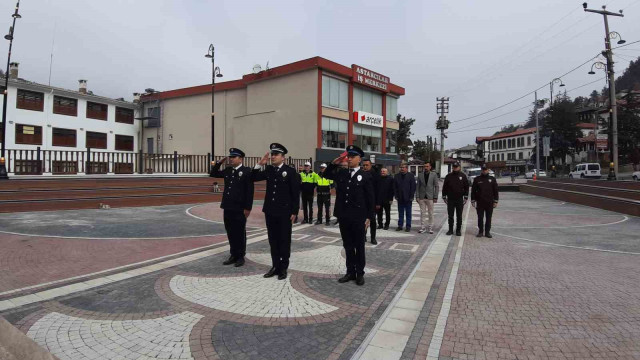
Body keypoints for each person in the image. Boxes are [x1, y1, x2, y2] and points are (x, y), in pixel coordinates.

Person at [323, 145, 374, 286]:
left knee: (359, 245)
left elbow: (370, 198)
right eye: (348, 156)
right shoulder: (342, 173)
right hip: (344, 215)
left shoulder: (365, 176)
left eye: (352, 157)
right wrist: (334, 163)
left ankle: (360, 273)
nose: (349, 159)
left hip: (359, 217)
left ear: (359, 159)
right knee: (348, 245)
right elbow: (326, 175)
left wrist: (369, 217)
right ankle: (350, 271)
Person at [252, 143, 301, 280]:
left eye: (276, 154)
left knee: (284, 240)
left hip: (285, 212)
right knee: (273, 240)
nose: (273, 157)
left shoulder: (290, 172)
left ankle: (283, 267)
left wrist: (294, 211)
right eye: (272, 154)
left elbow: (295, 193)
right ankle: (275, 266)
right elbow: (253, 178)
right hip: (270, 210)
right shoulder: (269, 170)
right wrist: (259, 164)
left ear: (283, 157)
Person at [209, 148, 254, 267]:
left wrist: (248, 208)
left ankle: (240, 256)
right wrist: (219, 163)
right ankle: (233, 254)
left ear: (241, 158)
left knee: (239, 232)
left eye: (234, 157)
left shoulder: (247, 171)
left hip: (240, 208)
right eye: (231, 157)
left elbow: (249, 191)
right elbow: (213, 174)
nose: (231, 159)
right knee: (230, 232)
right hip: (228, 206)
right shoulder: (228, 170)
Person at [442, 162, 469, 236]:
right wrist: (444, 196)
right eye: (454, 167)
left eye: (456, 167)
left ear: (459, 167)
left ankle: (458, 230)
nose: (455, 168)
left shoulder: (463, 176)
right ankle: (450, 230)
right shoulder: (448, 176)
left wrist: (466, 197)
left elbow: (466, 187)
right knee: (450, 215)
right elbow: (445, 187)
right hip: (450, 199)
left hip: (459, 199)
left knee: (459, 216)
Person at [471, 165, 499, 238]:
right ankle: (480, 231)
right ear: (481, 170)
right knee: (480, 217)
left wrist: (496, 201)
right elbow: (473, 191)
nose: (484, 171)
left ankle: (487, 232)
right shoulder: (477, 179)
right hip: (480, 202)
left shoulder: (492, 179)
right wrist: (473, 200)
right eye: (483, 170)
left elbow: (495, 191)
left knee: (488, 218)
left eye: (485, 170)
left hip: (489, 202)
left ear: (488, 170)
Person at [416, 162, 439, 234]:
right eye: (424, 166)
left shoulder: (434, 175)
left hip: (430, 197)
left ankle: (430, 227)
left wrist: (435, 197)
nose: (425, 167)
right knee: (422, 213)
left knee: (430, 213)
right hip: (422, 197)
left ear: (430, 167)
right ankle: (423, 227)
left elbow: (436, 186)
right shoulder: (420, 175)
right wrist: (417, 196)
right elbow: (417, 187)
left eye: (427, 166)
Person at [393, 163, 416, 232]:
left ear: (406, 168)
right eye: (401, 167)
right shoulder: (396, 176)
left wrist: (412, 196)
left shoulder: (411, 176)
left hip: (408, 198)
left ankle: (408, 226)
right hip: (400, 198)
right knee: (400, 213)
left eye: (403, 167)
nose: (402, 169)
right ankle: (400, 226)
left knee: (408, 213)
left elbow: (413, 187)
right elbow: (394, 187)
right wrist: (396, 196)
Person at [362, 158, 378, 245]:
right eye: (363, 165)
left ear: (370, 165)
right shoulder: (360, 174)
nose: (365, 167)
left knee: (372, 221)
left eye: (366, 165)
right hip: (362, 202)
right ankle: (363, 236)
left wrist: (378, 203)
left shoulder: (375, 175)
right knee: (362, 221)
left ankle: (373, 238)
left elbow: (378, 190)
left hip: (372, 202)